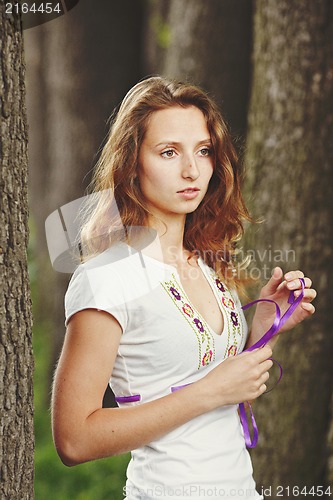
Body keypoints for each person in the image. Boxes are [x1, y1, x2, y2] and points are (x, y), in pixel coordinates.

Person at [51, 76, 316, 500]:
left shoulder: (209, 261)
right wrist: (210, 393)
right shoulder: (108, 276)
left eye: (204, 150)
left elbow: (206, 378)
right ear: (131, 161)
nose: (192, 170)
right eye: (169, 152)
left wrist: (264, 327)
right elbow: (74, 440)